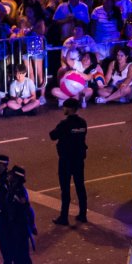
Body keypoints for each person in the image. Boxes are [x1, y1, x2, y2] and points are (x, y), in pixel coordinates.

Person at [48, 97, 88, 226]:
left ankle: (64, 217)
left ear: (69, 109)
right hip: (78, 159)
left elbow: (53, 135)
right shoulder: (82, 123)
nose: (63, 109)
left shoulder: (65, 124)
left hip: (66, 160)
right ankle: (83, 214)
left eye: (65, 107)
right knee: (80, 186)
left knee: (65, 189)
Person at [0, 166, 33, 264]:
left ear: (16, 177)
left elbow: (26, 210)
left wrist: (31, 225)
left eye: (11, 175)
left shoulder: (19, 192)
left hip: (20, 228)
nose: (9, 176)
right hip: (14, 227)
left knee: (23, 258)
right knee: (17, 257)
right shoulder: (13, 189)